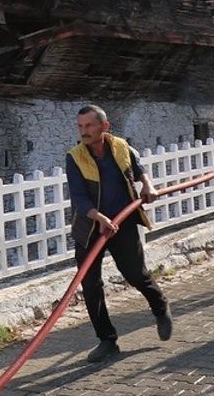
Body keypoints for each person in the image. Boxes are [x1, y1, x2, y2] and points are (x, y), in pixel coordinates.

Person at [65, 105, 172, 363]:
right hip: (90, 227)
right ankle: (107, 340)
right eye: (80, 127)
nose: (84, 132)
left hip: (122, 222)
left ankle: (160, 308)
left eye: (89, 126)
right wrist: (99, 218)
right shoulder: (75, 157)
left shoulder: (121, 147)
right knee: (91, 285)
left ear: (105, 126)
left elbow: (137, 169)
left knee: (136, 274)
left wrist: (147, 185)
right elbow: (79, 197)